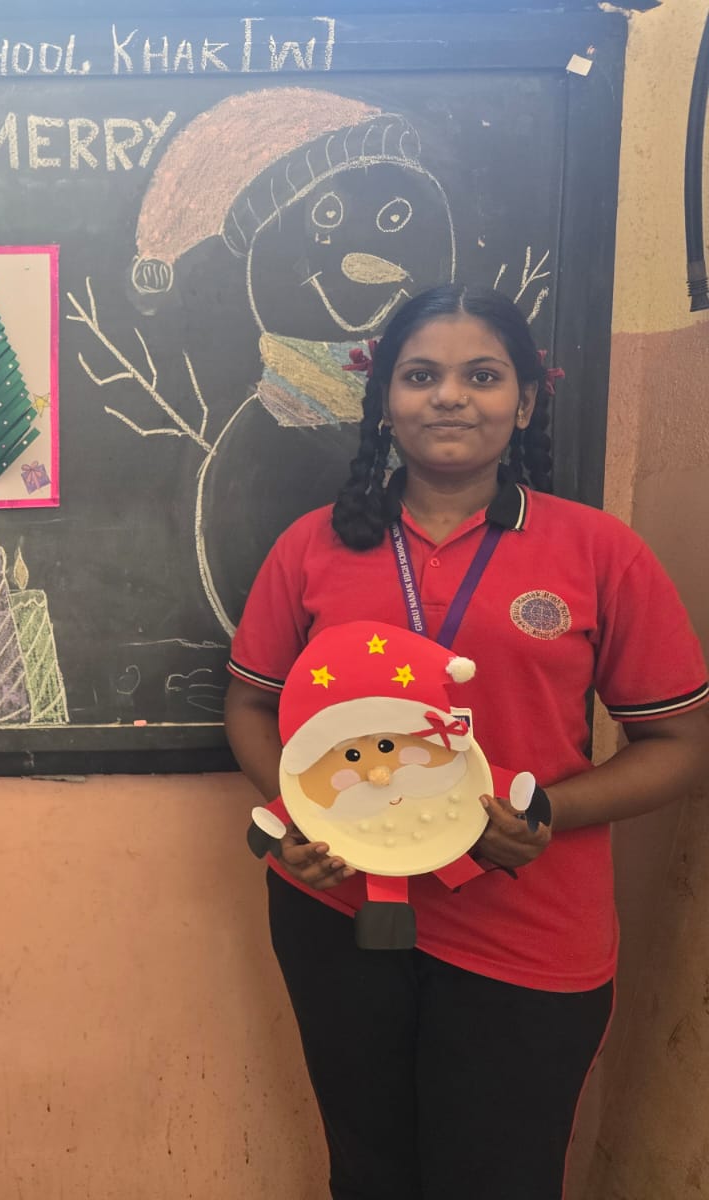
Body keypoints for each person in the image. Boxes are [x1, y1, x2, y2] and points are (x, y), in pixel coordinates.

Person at [224, 284, 709, 1199]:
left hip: (528, 921)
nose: (449, 396)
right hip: (339, 912)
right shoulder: (313, 547)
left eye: (482, 376)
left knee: (498, 1178)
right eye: (420, 376)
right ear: (384, 402)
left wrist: (548, 811)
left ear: (524, 402)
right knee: (368, 1173)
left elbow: (681, 742)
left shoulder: (599, 552)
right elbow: (250, 707)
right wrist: (298, 817)